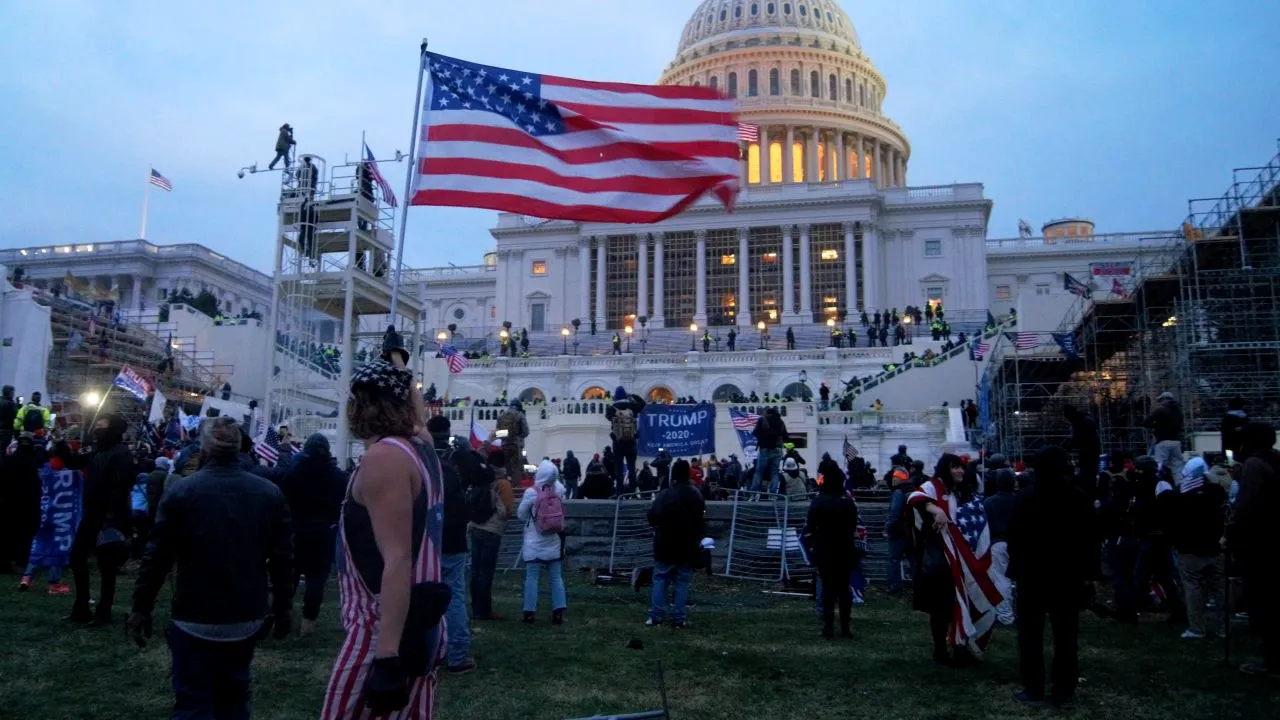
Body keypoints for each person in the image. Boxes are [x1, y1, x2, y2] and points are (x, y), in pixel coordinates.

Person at [128, 417, 295, 720]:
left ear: (203, 449)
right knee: (234, 699)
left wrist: (142, 607)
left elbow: (157, 558)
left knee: (193, 703)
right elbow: (283, 560)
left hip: (195, 614)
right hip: (245, 616)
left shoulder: (182, 492)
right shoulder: (268, 493)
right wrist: (283, 609)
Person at [321, 360, 448, 719]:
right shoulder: (420, 446)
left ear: (367, 405)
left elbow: (397, 560)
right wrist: (404, 379)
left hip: (380, 629)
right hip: (421, 625)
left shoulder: (385, 458)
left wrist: (387, 657)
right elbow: (419, 421)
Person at [1006, 446, 1098, 708]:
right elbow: (1089, 539)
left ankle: (1033, 688)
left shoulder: (1026, 498)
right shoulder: (1078, 497)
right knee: (1066, 634)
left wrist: (1020, 565)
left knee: (1030, 634)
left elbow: (1014, 536)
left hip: (1032, 575)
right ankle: (1063, 690)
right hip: (1066, 575)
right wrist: (1088, 574)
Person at [907, 454, 1002, 665]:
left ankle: (959, 646)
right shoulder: (933, 488)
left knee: (957, 606)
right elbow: (914, 498)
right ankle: (940, 651)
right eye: (955, 467)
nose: (960, 471)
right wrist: (936, 509)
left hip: (956, 561)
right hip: (938, 562)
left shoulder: (955, 492)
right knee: (941, 609)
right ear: (944, 469)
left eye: (961, 467)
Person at [59, 413, 135, 625]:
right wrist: (60, 445)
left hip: (109, 517)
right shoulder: (96, 451)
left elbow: (122, 486)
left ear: (113, 429)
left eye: (102, 425)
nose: (97, 428)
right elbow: (73, 462)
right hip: (92, 514)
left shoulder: (120, 454)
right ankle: (82, 607)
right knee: (77, 558)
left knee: (107, 566)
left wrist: (112, 517)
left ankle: (103, 612)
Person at [426, 414, 482, 674]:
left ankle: (426, 653)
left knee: (423, 595)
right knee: (455, 596)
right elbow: (485, 475)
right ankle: (458, 654)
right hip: (454, 538)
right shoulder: (458, 458)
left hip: (427, 538)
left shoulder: (421, 460)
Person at [276, 433, 346, 637]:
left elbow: (283, 500)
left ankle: (284, 616)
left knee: (291, 575)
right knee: (317, 578)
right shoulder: (338, 476)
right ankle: (309, 621)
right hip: (324, 531)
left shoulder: (293, 474)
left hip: (296, 530)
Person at [1233, 422, 1280, 678]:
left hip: (1262, 545)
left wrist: (1232, 533)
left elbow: (1246, 509)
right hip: (1273, 541)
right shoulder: (1275, 461)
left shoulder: (1254, 465)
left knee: (1263, 604)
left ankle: (1272, 662)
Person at [1169, 457, 1228, 640]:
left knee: (1193, 588)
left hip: (1190, 550)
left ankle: (1197, 628)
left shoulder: (1181, 493)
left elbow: (1175, 523)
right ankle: (1224, 628)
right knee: (1219, 589)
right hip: (1215, 547)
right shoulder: (1218, 491)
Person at [645, 459, 705, 628]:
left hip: (665, 543)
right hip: (687, 545)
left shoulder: (665, 494)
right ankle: (679, 618)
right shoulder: (696, 494)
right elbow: (701, 518)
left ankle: (656, 616)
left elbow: (652, 515)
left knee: (660, 580)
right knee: (681, 582)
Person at [806, 463, 859, 638]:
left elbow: (810, 525)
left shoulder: (818, 501)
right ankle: (845, 626)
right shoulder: (848, 502)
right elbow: (853, 526)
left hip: (824, 548)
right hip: (845, 547)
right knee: (844, 589)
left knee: (828, 588)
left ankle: (828, 626)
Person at [518, 460, 567, 624]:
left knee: (532, 576)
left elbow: (521, 515)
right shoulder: (559, 490)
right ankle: (559, 611)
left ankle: (529, 612)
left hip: (534, 540)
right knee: (555, 576)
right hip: (553, 539)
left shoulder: (532, 493)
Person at [470, 449, 515, 621]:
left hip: (475, 527)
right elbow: (507, 511)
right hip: (492, 530)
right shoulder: (502, 483)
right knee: (486, 572)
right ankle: (484, 610)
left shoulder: (480, 477)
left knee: (475, 570)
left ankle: (475, 607)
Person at [983, 468, 1018, 625]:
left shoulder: (989, 502)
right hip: (1019, 543)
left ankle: (1005, 615)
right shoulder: (1020, 500)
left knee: (1002, 579)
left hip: (998, 543)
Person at [606, 387, 646, 493]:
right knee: (631, 467)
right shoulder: (632, 406)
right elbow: (643, 403)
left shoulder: (612, 407)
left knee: (619, 467)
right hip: (631, 441)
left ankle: (619, 490)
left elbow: (607, 415)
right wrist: (632, 395)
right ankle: (632, 491)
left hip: (618, 441)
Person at [1142, 391, 1185, 477]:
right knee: (1177, 467)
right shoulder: (1179, 412)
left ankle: (1160, 485)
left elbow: (1146, 422)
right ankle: (1179, 486)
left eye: (1160, 400)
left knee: (1159, 465)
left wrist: (1156, 425)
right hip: (1176, 442)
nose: (1160, 403)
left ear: (1165, 399)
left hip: (1163, 441)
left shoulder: (1161, 410)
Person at [750, 407, 789, 495]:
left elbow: (755, 433)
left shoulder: (762, 419)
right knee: (774, 472)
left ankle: (753, 491)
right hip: (777, 449)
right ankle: (773, 492)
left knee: (759, 471)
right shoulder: (780, 421)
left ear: (767, 412)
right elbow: (786, 437)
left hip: (765, 448)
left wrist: (763, 438)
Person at [497, 401, 530, 485]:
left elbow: (498, 432)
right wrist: (518, 436)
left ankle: (507, 485)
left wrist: (505, 438)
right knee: (516, 467)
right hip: (516, 445)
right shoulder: (520, 415)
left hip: (504, 445)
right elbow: (526, 432)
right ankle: (515, 487)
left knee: (505, 466)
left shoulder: (501, 415)